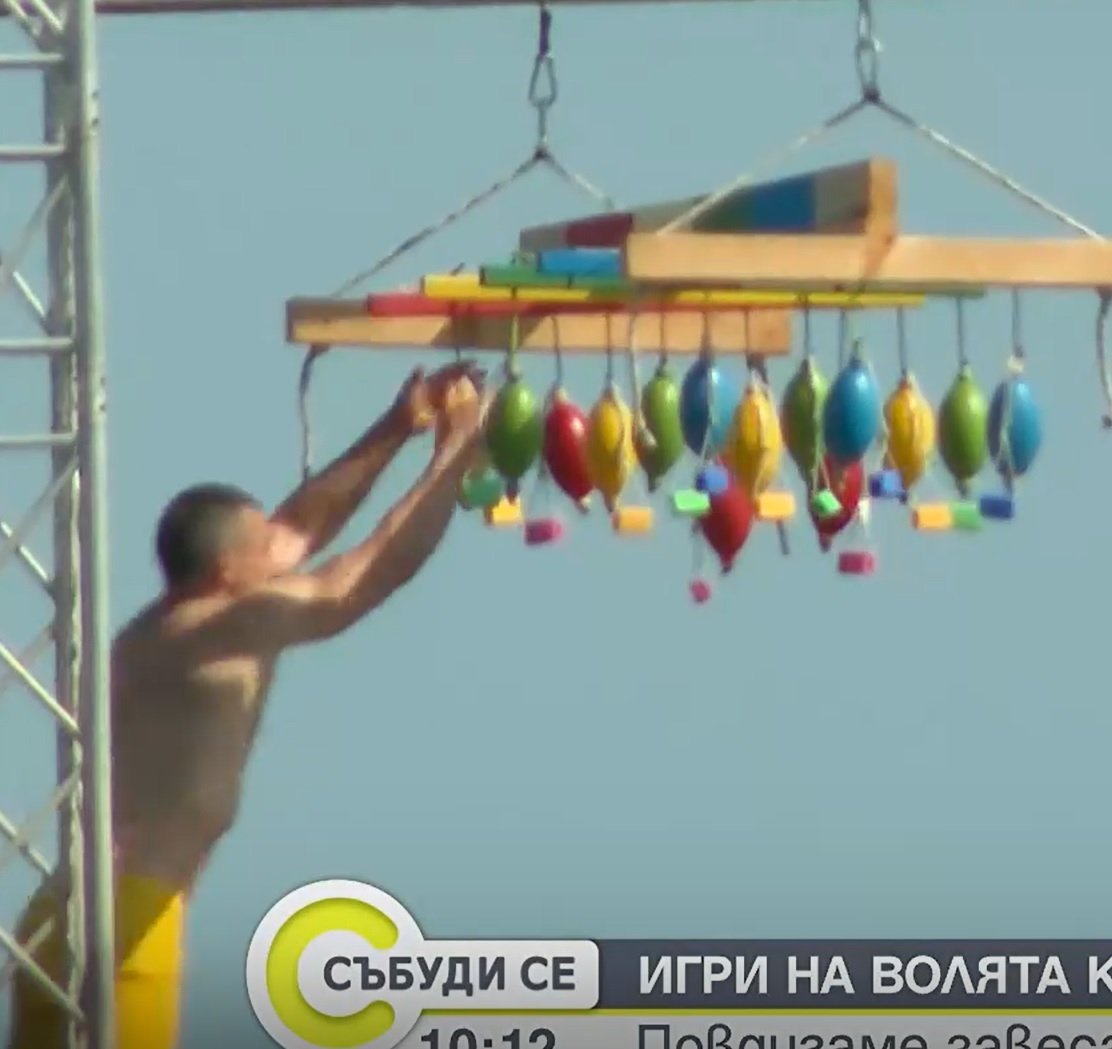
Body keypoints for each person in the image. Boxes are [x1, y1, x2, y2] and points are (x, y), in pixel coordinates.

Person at [6, 360, 489, 1049]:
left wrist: (395, 426)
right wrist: (456, 451)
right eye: (263, 547)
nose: (281, 550)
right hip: (127, 924)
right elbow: (361, 580)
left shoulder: (169, 624)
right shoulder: (228, 623)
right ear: (226, 571)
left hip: (64, 918)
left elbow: (298, 528)